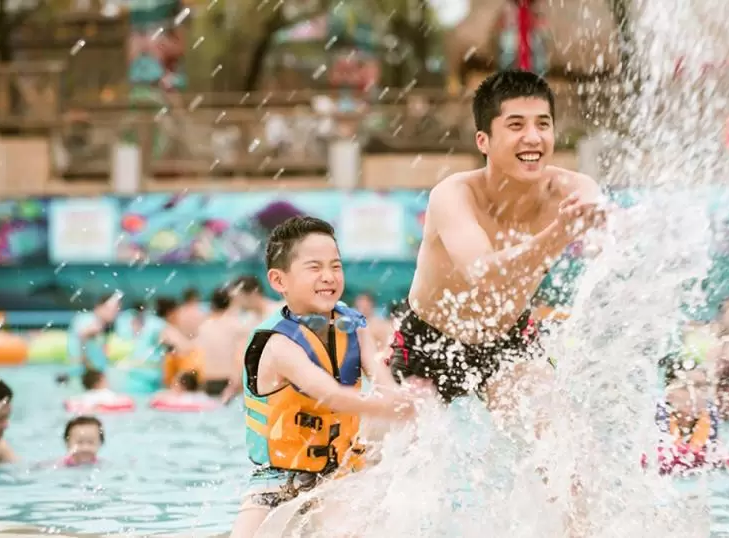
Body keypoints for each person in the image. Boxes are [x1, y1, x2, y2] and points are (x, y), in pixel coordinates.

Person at [390, 70, 606, 413]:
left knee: (555, 446)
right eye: (516, 125)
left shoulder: (572, 191)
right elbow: (484, 274)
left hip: (510, 339)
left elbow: (605, 235)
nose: (533, 137)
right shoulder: (454, 195)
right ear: (483, 141)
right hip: (428, 340)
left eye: (543, 124)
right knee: (392, 455)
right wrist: (559, 232)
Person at [231, 216, 413, 538]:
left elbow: (379, 375)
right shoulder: (278, 344)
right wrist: (391, 408)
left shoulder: (352, 324)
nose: (329, 277)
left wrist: (400, 401)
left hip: (341, 474)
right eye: (314, 267)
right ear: (278, 280)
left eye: (336, 266)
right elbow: (329, 394)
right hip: (278, 481)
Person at [197, 287, 252, 399]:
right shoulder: (236, 325)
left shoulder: (204, 326)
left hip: (208, 380)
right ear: (230, 303)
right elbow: (242, 356)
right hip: (230, 381)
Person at [68, 292, 123, 376]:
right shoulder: (91, 321)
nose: (115, 313)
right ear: (99, 307)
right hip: (84, 374)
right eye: (112, 309)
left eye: (117, 309)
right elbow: (83, 335)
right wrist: (85, 362)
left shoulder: (101, 324)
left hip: (90, 373)